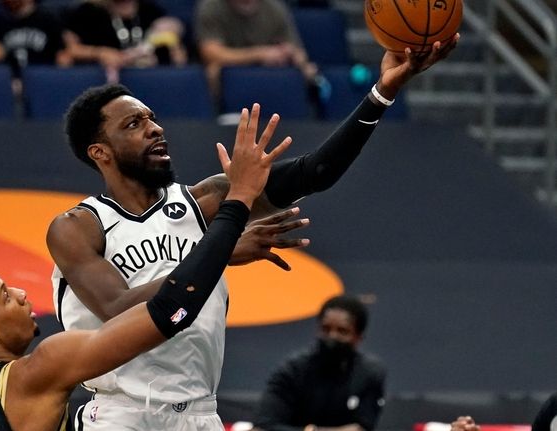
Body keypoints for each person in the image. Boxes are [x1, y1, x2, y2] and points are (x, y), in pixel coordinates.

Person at [47, 36, 458, 430]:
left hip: (200, 412)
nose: (154, 128)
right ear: (100, 152)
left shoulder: (202, 202)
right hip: (123, 413)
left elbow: (316, 172)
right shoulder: (78, 226)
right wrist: (219, 251)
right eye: (134, 124)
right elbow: (117, 309)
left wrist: (381, 94)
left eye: (152, 118)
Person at [0, 113, 291, 431]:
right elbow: (171, 311)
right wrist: (237, 203)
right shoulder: (38, 370)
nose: (22, 293)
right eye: (5, 294)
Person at [251, 295, 386, 431]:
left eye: (342, 331)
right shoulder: (293, 370)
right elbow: (264, 425)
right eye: (326, 329)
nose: (332, 337)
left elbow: (361, 428)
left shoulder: (370, 373)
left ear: (358, 337)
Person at [193, 0, 325, 113]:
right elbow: (211, 54)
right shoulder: (212, 6)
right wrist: (261, 54)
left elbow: (299, 53)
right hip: (228, 83)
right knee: (212, 70)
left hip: (271, 79)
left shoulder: (274, 7)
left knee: (308, 71)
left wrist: (289, 54)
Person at [64, 0, 188, 82]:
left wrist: (174, 48)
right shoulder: (88, 12)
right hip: (102, 82)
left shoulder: (151, 11)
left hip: (149, 83)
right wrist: (100, 53)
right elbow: (70, 50)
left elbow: (179, 58)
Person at [0, 0, 72, 74]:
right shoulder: (0, 22)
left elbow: (62, 56)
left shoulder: (47, 19)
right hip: (10, 78)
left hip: (43, 76)